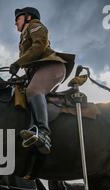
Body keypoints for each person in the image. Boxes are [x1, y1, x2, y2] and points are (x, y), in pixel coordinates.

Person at [10, 7, 75, 154]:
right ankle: (33, 131)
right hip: (38, 71)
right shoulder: (24, 35)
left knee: (34, 90)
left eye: (17, 19)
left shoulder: (34, 25)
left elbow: (39, 47)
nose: (15, 23)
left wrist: (17, 63)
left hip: (53, 66)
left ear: (27, 17)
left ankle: (44, 133)